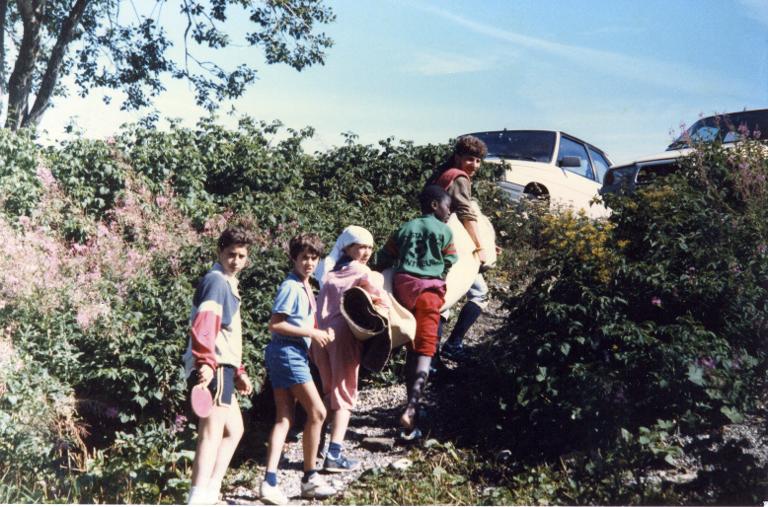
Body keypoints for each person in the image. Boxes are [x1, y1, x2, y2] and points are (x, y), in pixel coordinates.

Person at [372, 185, 457, 436]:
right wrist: (438, 271)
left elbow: (384, 256)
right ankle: (411, 407)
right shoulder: (444, 230)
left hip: (403, 290)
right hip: (429, 294)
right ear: (434, 205)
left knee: (410, 341)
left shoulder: (404, 228)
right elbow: (451, 259)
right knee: (426, 348)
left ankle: (411, 402)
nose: (448, 211)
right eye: (446, 206)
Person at [260, 233, 337, 504]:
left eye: (313, 257)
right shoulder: (291, 286)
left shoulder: (305, 285)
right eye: (303, 257)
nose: (309, 262)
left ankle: (270, 481)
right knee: (317, 412)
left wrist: (315, 334)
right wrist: (313, 333)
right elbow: (276, 324)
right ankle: (309, 478)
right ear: (293, 258)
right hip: (287, 353)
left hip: (286, 354)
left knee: (285, 418)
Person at [183, 227, 255, 505]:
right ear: (219, 253)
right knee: (210, 433)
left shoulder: (227, 283)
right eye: (230, 254)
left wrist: (238, 371)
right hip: (214, 366)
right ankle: (198, 497)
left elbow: (226, 333)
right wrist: (206, 362)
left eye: (241, 255)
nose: (236, 260)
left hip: (225, 367)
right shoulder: (216, 281)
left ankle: (211, 490)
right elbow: (205, 325)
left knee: (233, 430)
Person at [312, 225, 386, 472]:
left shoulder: (328, 269)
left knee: (328, 390)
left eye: (369, 247)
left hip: (319, 336)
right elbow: (379, 301)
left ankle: (316, 447)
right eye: (361, 246)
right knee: (345, 394)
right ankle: (334, 454)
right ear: (348, 246)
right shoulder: (362, 273)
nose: (366, 252)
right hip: (343, 335)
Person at [426, 135, 491, 361]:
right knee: (470, 293)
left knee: (448, 295)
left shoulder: (442, 174)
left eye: (478, 161)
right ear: (458, 158)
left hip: (434, 240)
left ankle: (437, 353)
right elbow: (465, 214)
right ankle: (447, 348)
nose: (474, 165)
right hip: (450, 245)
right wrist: (480, 247)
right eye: (470, 159)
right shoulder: (458, 178)